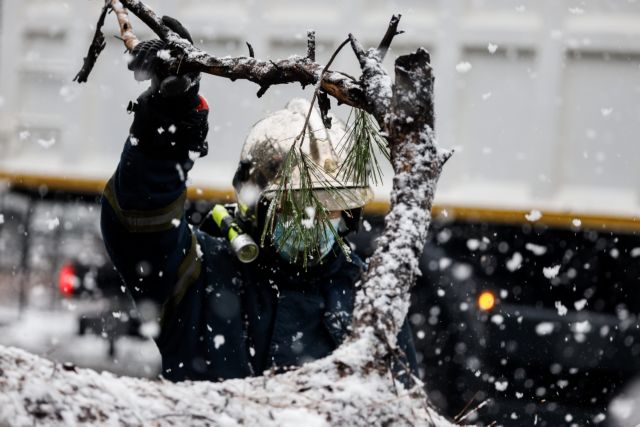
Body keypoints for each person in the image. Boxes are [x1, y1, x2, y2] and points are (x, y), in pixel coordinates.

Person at [100, 16, 418, 382]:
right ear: (256, 203)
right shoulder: (199, 276)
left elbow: (399, 406)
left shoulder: (368, 298)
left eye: (333, 205)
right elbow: (137, 220)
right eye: (296, 204)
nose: (314, 220)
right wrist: (167, 119)